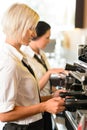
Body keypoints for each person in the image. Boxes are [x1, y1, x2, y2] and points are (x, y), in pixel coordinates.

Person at [0, 3, 65, 130]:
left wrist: (51, 98)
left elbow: (26, 100)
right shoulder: (9, 62)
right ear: (17, 26)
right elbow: (4, 114)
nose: (34, 34)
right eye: (31, 28)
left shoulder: (19, 57)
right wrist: (44, 106)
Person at [21, 21, 67, 130]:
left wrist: (56, 92)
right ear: (37, 36)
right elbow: (33, 90)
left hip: (46, 104)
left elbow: (46, 84)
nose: (49, 41)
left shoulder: (41, 54)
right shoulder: (24, 57)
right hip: (35, 109)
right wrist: (49, 73)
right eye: (47, 37)